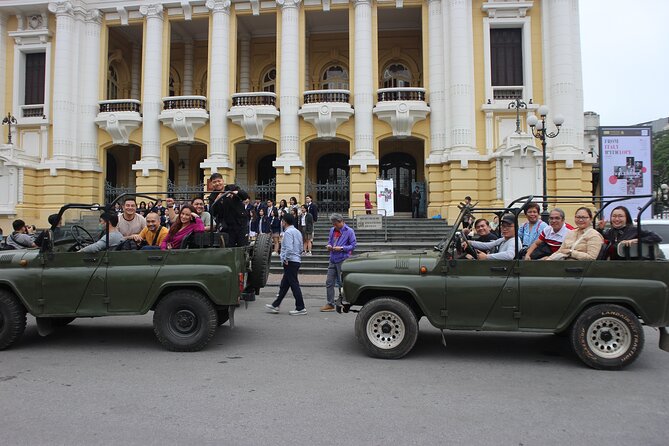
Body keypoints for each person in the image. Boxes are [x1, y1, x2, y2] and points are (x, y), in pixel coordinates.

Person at [264, 214, 307, 316]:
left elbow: (288, 248)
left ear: (285, 222)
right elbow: (301, 247)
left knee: (294, 284)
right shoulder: (297, 232)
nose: (282, 223)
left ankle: (300, 307)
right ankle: (276, 304)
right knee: (285, 284)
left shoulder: (288, 232)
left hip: (290, 261)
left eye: (282, 221)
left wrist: (286, 258)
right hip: (296, 259)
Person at [597, 205, 662, 260]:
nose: (616, 219)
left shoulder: (634, 230)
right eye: (614, 216)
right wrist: (600, 229)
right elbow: (598, 239)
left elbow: (656, 237)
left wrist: (636, 240)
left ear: (626, 218)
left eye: (620, 216)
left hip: (631, 266)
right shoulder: (609, 232)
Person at [323, 213, 357, 312]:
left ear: (341, 221)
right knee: (329, 282)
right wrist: (329, 246)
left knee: (342, 283)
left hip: (342, 259)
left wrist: (342, 248)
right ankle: (330, 303)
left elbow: (353, 245)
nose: (334, 226)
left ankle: (343, 301)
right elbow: (330, 241)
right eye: (333, 224)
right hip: (332, 259)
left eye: (336, 224)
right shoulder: (332, 230)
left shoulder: (349, 231)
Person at [208, 173, 250, 247]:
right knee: (228, 248)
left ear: (223, 181)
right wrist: (217, 200)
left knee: (243, 246)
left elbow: (245, 196)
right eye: (214, 182)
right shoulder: (212, 196)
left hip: (240, 223)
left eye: (219, 181)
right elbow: (213, 213)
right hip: (226, 227)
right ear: (212, 184)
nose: (217, 183)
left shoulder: (232, 188)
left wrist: (236, 193)